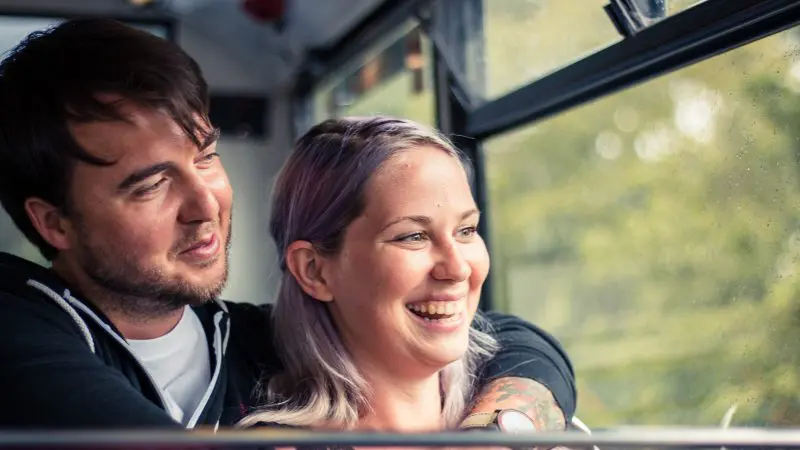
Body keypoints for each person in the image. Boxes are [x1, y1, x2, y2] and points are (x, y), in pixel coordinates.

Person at [0, 18, 576, 433]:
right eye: (151, 185)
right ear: (54, 223)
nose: (206, 204)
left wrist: (506, 423)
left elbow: (508, 338)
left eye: (205, 158)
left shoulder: (252, 340)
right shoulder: (22, 327)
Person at [238, 116, 512, 434]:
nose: (458, 268)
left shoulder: (536, 424)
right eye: (413, 236)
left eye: (466, 230)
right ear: (314, 271)